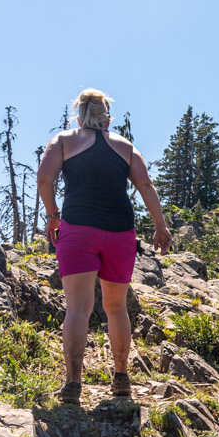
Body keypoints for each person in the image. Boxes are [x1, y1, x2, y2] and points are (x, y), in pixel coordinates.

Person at [37, 88, 173, 404]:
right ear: (107, 119)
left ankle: (73, 384)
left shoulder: (63, 141)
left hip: (78, 229)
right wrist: (161, 227)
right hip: (120, 232)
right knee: (116, 307)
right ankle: (122, 379)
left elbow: (45, 179)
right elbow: (145, 185)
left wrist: (53, 215)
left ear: (79, 115)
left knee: (77, 308)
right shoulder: (126, 148)